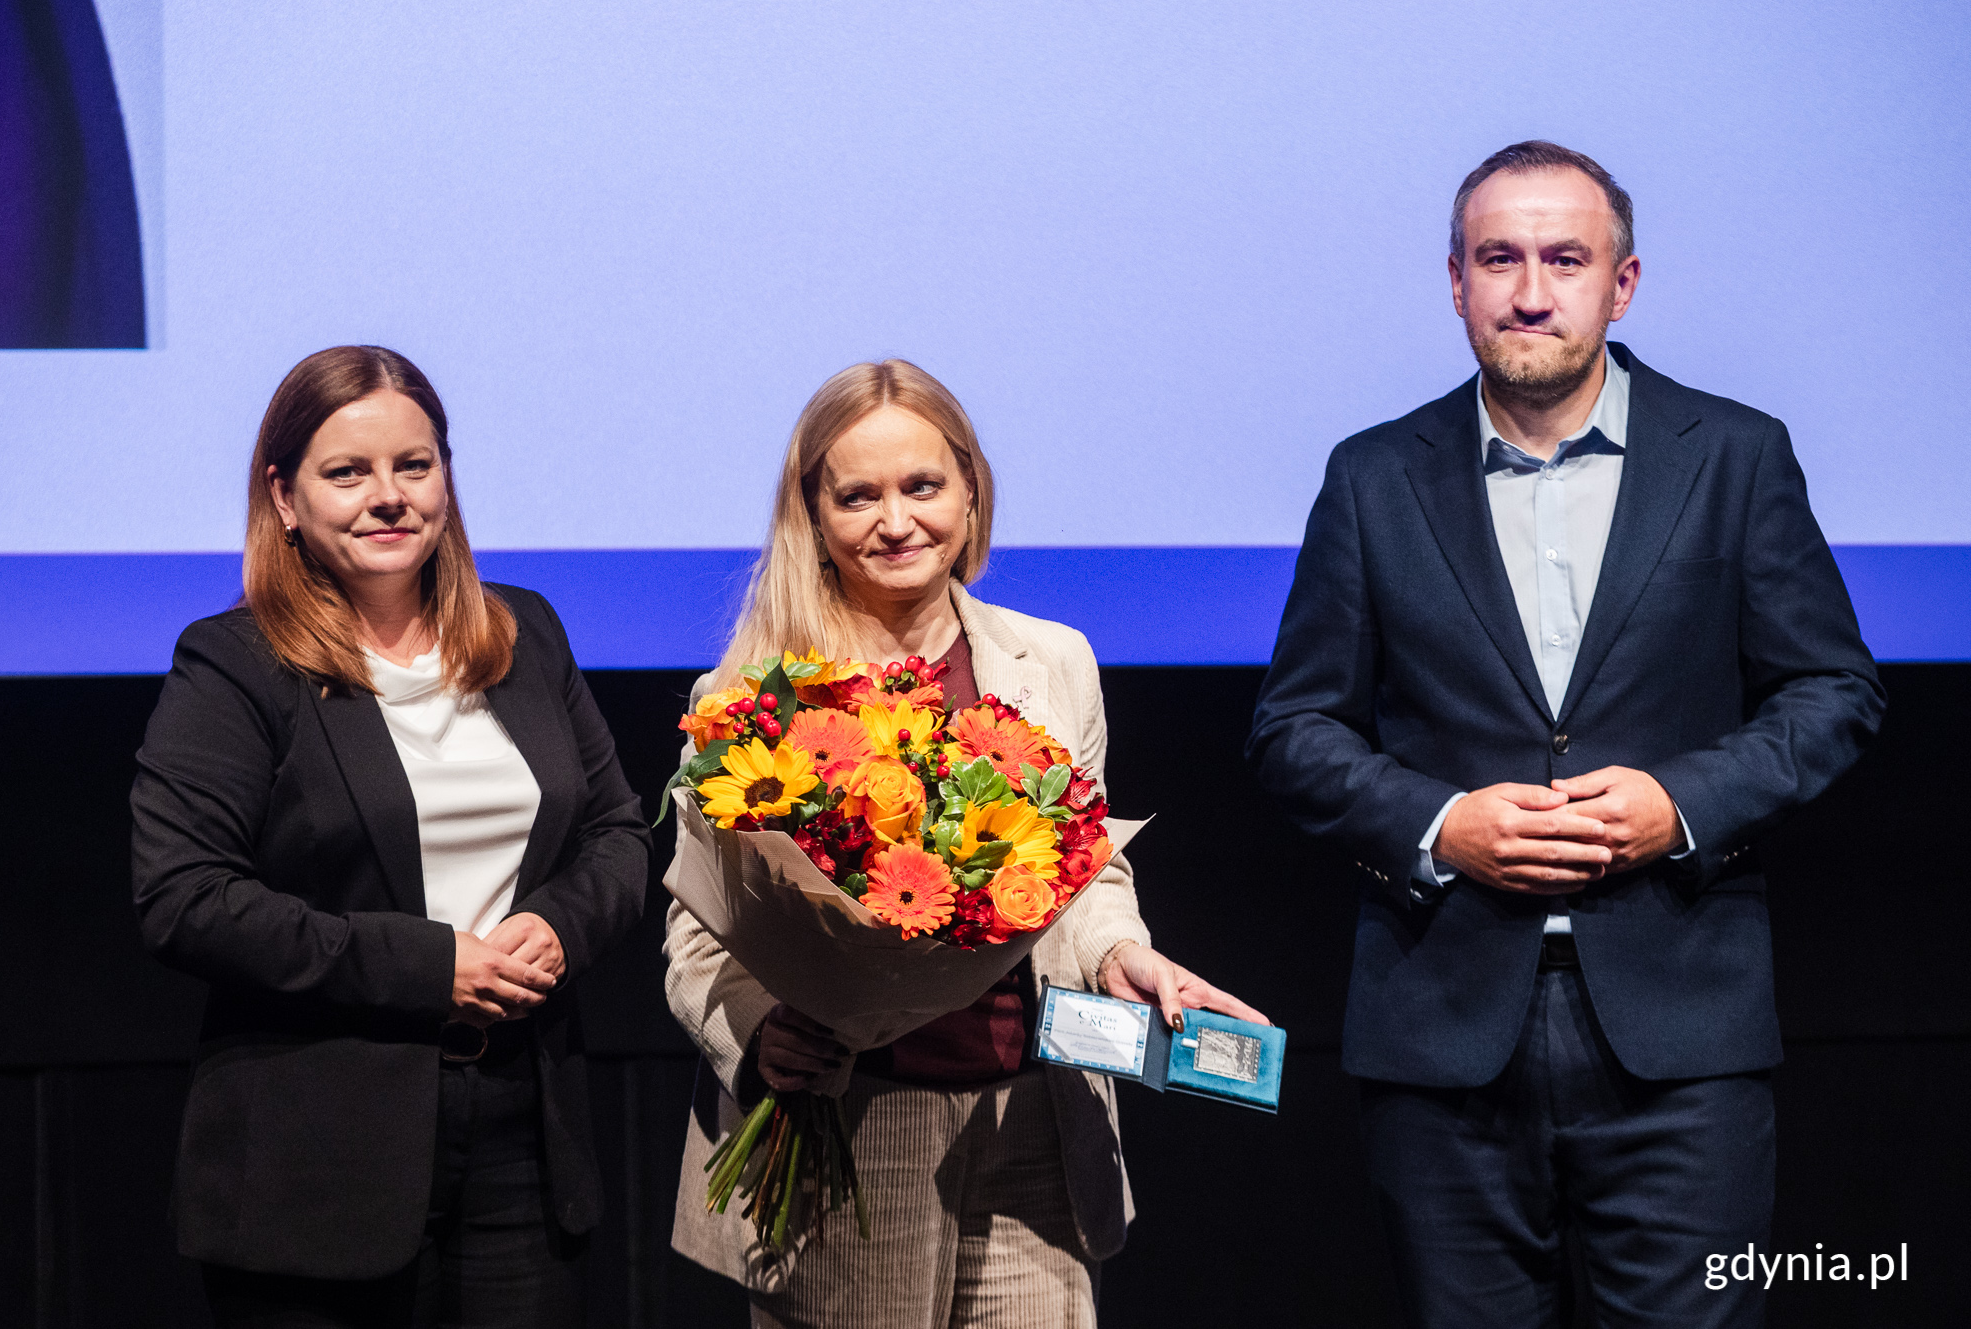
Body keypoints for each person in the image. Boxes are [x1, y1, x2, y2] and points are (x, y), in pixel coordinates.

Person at [1247, 141, 1885, 1327]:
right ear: (1454, 283)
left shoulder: (1733, 455)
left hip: (1681, 1032)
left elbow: (1830, 691)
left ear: (1620, 283)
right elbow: (1293, 726)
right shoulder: (1373, 476)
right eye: (1497, 259)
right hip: (1442, 1027)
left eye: (1564, 260)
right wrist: (1440, 822)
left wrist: (1677, 805)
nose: (1529, 292)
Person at [664, 359, 1266, 1327]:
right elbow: (699, 933)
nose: (895, 521)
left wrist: (1120, 952)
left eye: (922, 486)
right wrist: (760, 1033)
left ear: (971, 493)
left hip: (1035, 1116)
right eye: (857, 496)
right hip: (852, 1125)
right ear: (812, 513)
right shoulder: (754, 693)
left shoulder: (1053, 660)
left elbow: (1086, 871)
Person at [131, 346, 650, 1327]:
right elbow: (184, 898)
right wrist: (431, 965)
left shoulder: (526, 633)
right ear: (284, 497)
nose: (389, 496)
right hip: (320, 1156)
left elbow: (617, 833)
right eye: (347, 472)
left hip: (523, 1139)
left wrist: (559, 926)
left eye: (414, 465)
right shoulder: (236, 664)